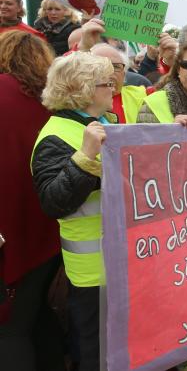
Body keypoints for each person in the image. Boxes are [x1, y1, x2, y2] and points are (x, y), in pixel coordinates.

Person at [32, 52, 116, 371]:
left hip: (118, 261)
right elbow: (53, 202)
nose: (114, 88)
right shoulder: (56, 136)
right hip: (92, 271)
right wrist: (84, 156)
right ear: (83, 89)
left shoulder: (104, 123)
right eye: (106, 83)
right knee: (94, 352)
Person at [0, 31, 64, 371]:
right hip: (49, 232)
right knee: (35, 313)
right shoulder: (55, 101)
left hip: (10, 230)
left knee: (10, 330)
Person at [89, 43, 147, 124]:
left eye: (116, 67)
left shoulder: (143, 95)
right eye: (101, 66)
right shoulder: (78, 99)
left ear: (124, 73)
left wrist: (166, 61)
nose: (110, 71)